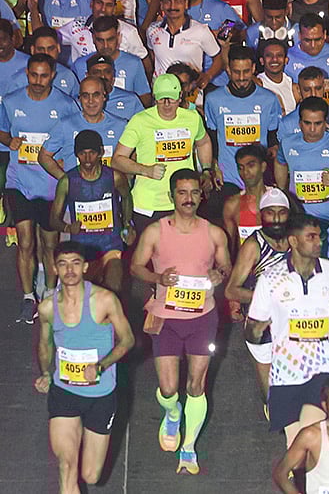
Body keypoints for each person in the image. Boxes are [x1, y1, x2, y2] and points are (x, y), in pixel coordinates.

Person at [128, 168, 232, 475]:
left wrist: (219, 274)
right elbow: (135, 267)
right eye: (182, 193)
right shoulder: (155, 231)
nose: (189, 199)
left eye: (194, 193)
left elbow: (226, 265)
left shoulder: (214, 233)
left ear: (202, 195)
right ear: (172, 195)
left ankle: (188, 448)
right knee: (169, 387)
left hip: (202, 318)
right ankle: (172, 413)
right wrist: (157, 277)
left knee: (196, 385)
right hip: (166, 317)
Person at [34, 241, 135, 494]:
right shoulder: (47, 308)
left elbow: (128, 340)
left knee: (90, 474)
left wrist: (101, 366)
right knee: (67, 465)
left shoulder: (104, 300)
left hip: (100, 396)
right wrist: (46, 372)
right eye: (63, 264)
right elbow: (45, 344)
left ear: (86, 267)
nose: (69, 270)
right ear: (54, 268)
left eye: (75, 263)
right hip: (64, 393)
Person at [245, 213, 329, 446]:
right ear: (293, 241)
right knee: (295, 446)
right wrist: (257, 331)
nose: (319, 242)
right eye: (311, 237)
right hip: (286, 371)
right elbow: (252, 329)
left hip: (324, 366)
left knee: (315, 435)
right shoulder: (270, 279)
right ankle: (300, 480)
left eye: (319, 237)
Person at [0, 54, 81, 322]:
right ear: (27, 73)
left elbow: (74, 138)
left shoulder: (65, 104)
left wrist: (62, 159)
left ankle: (48, 293)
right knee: (25, 242)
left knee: (49, 244)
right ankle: (27, 297)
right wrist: (9, 139)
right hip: (19, 183)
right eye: (33, 75)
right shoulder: (11, 102)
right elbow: (1, 129)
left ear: (53, 75)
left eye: (43, 76)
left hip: (50, 186)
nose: (37, 81)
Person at [112, 74, 214, 233]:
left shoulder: (192, 118)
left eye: (171, 99)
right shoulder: (140, 121)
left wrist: (207, 170)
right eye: (161, 99)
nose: (167, 104)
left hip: (183, 204)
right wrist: (145, 170)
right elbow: (117, 160)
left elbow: (204, 142)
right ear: (154, 97)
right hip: (149, 205)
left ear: (180, 97)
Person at [224, 187, 291, 406]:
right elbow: (231, 290)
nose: (277, 218)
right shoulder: (254, 245)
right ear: (262, 215)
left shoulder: (296, 241)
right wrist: (265, 299)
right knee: (271, 394)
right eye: (271, 213)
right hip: (262, 323)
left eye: (281, 212)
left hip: (293, 321)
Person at [49, 130, 134, 294]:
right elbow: (53, 219)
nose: (87, 159)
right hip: (83, 249)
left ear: (101, 152)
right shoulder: (67, 181)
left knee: (113, 289)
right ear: (76, 154)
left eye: (92, 153)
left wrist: (126, 225)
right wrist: (67, 228)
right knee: (86, 297)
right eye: (82, 153)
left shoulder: (115, 177)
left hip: (111, 245)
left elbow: (127, 198)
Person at [274, 97, 329, 236]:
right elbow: (280, 161)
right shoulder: (287, 144)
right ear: (299, 123)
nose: (312, 129)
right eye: (307, 123)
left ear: (326, 123)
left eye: (317, 123)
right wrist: (282, 191)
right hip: (299, 221)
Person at [204, 47, 282, 188]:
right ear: (228, 69)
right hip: (227, 180)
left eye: (245, 71)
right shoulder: (213, 99)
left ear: (253, 68)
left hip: (259, 181)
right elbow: (212, 139)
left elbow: (273, 139)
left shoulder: (269, 99)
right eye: (236, 72)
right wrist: (214, 168)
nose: (241, 78)